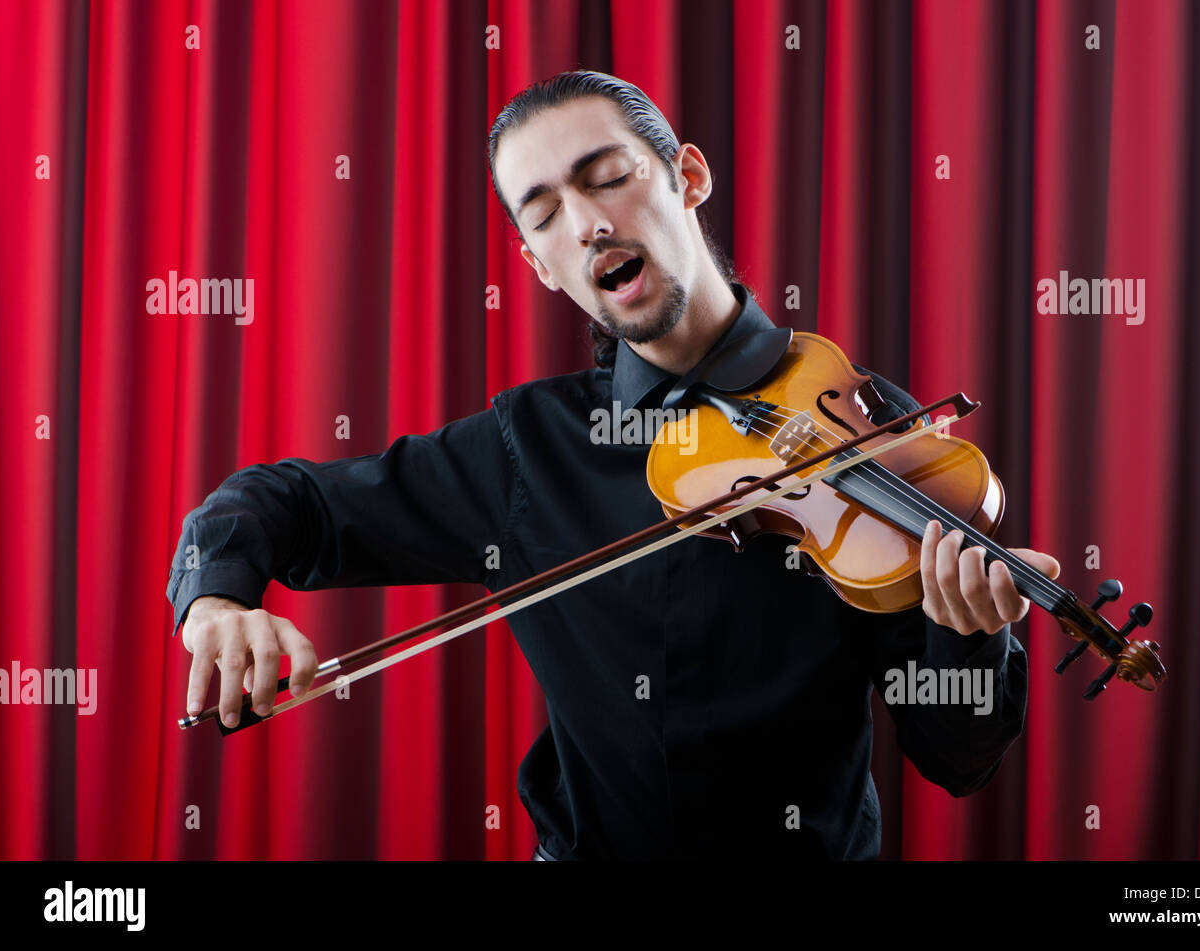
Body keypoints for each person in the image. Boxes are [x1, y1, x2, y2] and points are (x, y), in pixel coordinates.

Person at [168, 70, 1060, 860]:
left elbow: (956, 757)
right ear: (538, 263)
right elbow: (289, 502)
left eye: (608, 179)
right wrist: (214, 598)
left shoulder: (864, 419)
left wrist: (971, 632)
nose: (589, 224)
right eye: (546, 213)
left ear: (688, 177)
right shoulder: (526, 449)